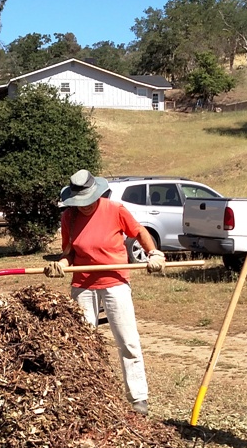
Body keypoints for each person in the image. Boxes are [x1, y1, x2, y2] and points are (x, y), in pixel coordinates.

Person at [45, 169, 166, 415]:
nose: (85, 206)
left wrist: (154, 253)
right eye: (80, 202)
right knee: (81, 342)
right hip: (83, 285)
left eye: (89, 200)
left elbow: (140, 232)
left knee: (127, 341)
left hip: (115, 281)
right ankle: (84, 396)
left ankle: (138, 398)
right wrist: (61, 265)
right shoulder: (69, 217)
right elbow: (69, 253)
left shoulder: (115, 210)